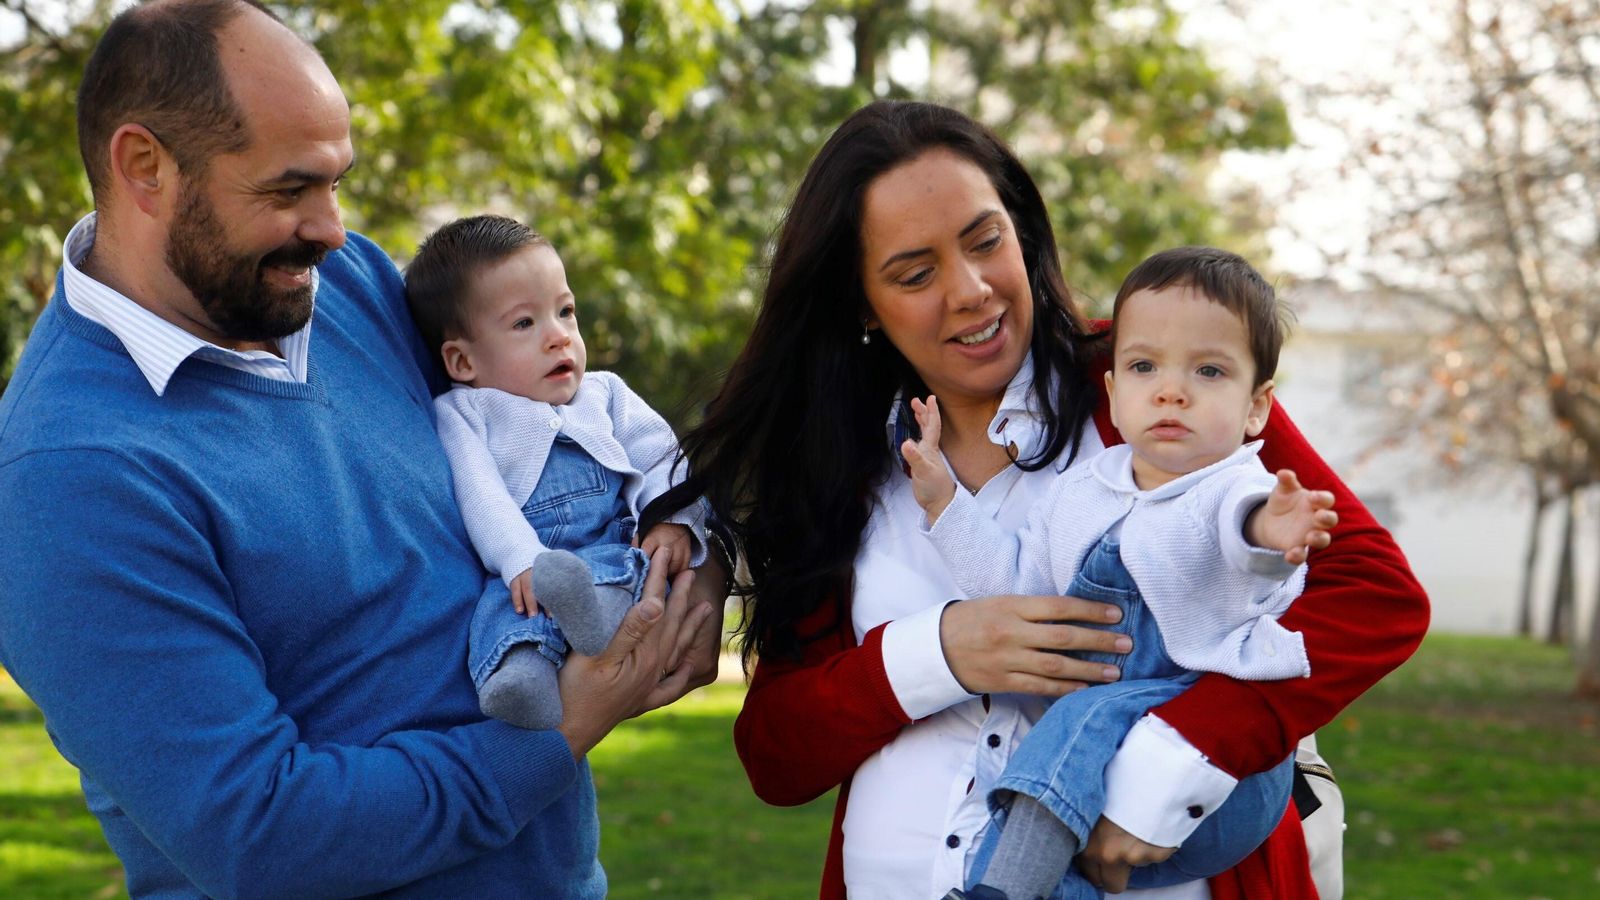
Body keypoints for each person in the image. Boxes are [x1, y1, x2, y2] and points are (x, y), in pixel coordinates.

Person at [0, 2, 723, 896]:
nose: (333, 228)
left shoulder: (342, 287)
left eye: (336, 183)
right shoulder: (69, 475)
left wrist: (691, 556)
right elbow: (265, 834)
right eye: (289, 190)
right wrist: (555, 733)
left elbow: (562, 430)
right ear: (145, 166)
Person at [653, 100, 1429, 899]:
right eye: (915, 274)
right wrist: (939, 654)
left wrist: (1178, 759)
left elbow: (1375, 593)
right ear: (861, 305)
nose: (971, 290)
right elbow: (778, 758)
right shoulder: (838, 468)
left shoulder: (1154, 386)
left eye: (986, 241)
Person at [903, 247, 1338, 900]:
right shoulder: (1084, 490)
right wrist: (944, 502)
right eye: (1143, 366)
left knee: (1078, 717)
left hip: (1221, 760)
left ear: (1256, 409)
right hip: (1103, 755)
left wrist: (1270, 534)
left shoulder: (1232, 485)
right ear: (1113, 390)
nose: (1171, 389)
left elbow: (1232, 532)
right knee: (1020, 832)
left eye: (1210, 370)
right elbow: (1017, 588)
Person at [404, 214, 709, 731]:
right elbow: (480, 494)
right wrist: (521, 559)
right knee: (503, 611)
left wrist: (672, 520)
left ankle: (592, 610)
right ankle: (521, 680)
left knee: (627, 567)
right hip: (530, 563)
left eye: (565, 312)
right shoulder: (466, 414)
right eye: (525, 323)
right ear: (461, 361)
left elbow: (662, 456)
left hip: (612, 546)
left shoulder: (605, 394)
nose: (558, 337)